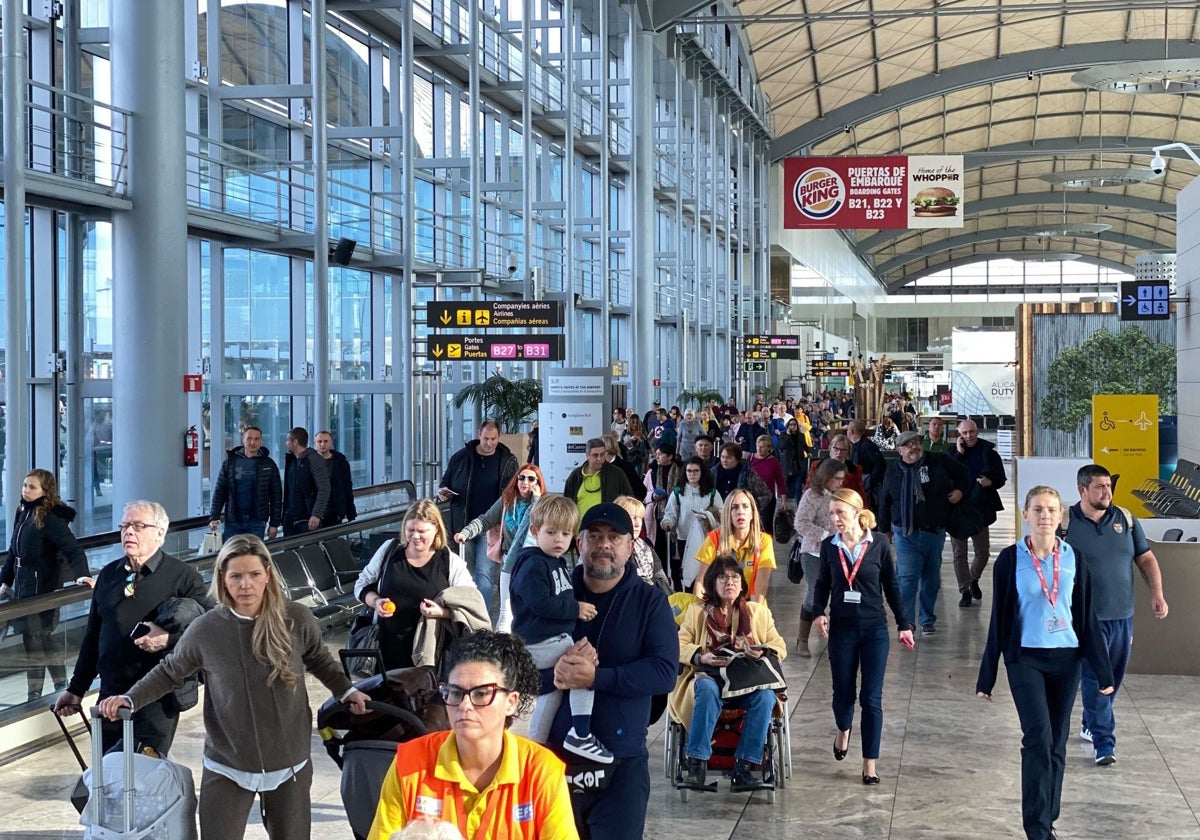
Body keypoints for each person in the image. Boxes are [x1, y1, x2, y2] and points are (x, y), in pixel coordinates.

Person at [97, 535, 371, 839]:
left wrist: (347, 691)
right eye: (236, 576)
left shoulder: (295, 618)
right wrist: (130, 698)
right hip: (228, 762)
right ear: (223, 580)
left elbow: (320, 660)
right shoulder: (207, 629)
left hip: (289, 763)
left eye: (254, 575)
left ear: (267, 574)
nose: (246, 585)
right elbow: (169, 671)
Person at [976, 486, 1115, 840]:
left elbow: (1085, 616)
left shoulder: (1072, 557)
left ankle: (1048, 815)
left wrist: (1102, 670)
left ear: (1060, 514)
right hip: (1025, 658)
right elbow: (1000, 619)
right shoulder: (1010, 559)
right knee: (1037, 737)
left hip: (1066, 658)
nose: (1045, 516)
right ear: (1026, 513)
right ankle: (1037, 830)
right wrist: (987, 675)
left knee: (1056, 742)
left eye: (1052, 509)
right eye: (1038, 509)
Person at [367, 630, 578, 840]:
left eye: (481, 693)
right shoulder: (411, 761)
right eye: (455, 692)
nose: (464, 705)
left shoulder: (541, 770)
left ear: (511, 702)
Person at [545, 503, 678, 837]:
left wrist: (596, 678)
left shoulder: (649, 601)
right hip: (554, 761)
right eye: (595, 536)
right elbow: (518, 669)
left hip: (621, 765)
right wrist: (556, 676)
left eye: (614, 537)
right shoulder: (552, 595)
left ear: (630, 547)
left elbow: (664, 671)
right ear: (580, 544)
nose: (604, 544)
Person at [54, 501, 216, 755]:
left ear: (160, 533)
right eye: (125, 526)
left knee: (144, 777)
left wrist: (169, 640)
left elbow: (209, 633)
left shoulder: (184, 577)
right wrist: (76, 689)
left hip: (157, 697)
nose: (129, 532)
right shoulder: (109, 575)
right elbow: (94, 637)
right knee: (109, 774)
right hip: (110, 695)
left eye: (138, 526)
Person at [1061, 464, 1169, 767]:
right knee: (1098, 679)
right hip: (1085, 619)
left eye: (1109, 486)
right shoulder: (1066, 523)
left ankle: (1089, 721)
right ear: (1083, 490)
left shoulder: (1126, 519)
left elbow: (1146, 558)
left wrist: (1157, 594)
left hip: (1122, 616)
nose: (1107, 492)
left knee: (1114, 677)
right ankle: (1104, 742)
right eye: (1100, 486)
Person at [812, 488, 913, 785]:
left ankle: (870, 763)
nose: (834, 519)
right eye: (831, 514)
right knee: (843, 693)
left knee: (871, 698)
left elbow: (892, 586)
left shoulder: (878, 544)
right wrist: (819, 612)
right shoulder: (830, 546)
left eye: (839, 513)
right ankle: (844, 729)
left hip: (874, 630)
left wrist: (903, 623)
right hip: (842, 629)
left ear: (857, 512)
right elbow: (821, 584)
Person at [510, 495, 611, 763]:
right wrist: (576, 609)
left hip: (547, 640)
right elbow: (540, 603)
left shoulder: (554, 562)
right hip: (539, 641)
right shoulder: (532, 563)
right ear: (534, 531)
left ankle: (536, 749)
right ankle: (580, 732)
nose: (559, 540)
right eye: (551, 532)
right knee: (582, 666)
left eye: (565, 533)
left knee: (551, 694)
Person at [672, 555, 787, 792]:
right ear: (713, 583)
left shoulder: (757, 612)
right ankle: (697, 765)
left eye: (735, 577)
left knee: (765, 697)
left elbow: (779, 646)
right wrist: (700, 656)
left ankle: (745, 766)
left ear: (742, 584)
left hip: (746, 679)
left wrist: (760, 652)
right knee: (705, 688)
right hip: (710, 677)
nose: (730, 582)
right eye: (723, 577)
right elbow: (677, 645)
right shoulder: (697, 612)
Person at [355, 500, 482, 670]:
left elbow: (471, 604)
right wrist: (376, 601)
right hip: (387, 649)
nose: (415, 536)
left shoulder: (450, 561)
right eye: (410, 530)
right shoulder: (389, 551)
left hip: (431, 651)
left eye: (422, 531)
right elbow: (362, 585)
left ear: (436, 529)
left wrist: (442, 612)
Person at [1, 469, 90, 700]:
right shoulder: (23, 510)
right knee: (39, 638)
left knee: (35, 638)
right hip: (23, 584)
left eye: (32, 487)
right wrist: (4, 581)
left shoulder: (50, 517)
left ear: (45, 491)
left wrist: (83, 575)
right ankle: (59, 684)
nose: (26, 490)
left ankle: (35, 694)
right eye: (24, 485)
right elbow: (13, 550)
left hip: (41, 587)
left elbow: (74, 549)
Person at [876, 431, 969, 635]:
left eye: (916, 442)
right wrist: (884, 530)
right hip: (905, 532)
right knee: (907, 578)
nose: (914, 447)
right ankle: (906, 621)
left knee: (931, 578)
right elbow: (885, 500)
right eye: (907, 444)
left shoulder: (939, 461)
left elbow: (964, 474)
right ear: (899, 450)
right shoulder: (893, 470)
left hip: (934, 531)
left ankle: (927, 618)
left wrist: (960, 491)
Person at [438, 420, 520, 624]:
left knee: (484, 575)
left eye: (493, 439)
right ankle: (464, 617)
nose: (489, 443)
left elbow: (513, 493)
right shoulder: (462, 457)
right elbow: (445, 483)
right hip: (464, 526)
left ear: (499, 437)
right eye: (485, 438)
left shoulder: (507, 460)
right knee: (463, 574)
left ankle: (480, 620)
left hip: (490, 527)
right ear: (478, 435)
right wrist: (443, 494)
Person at [454, 464, 546, 633]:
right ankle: (501, 650)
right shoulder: (507, 500)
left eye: (531, 479)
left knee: (529, 609)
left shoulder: (542, 504)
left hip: (532, 564)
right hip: (509, 562)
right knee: (506, 610)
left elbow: (535, 524)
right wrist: (466, 532)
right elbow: (486, 520)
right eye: (522, 477)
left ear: (538, 483)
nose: (525, 482)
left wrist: (536, 500)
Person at [948, 419, 1007, 608]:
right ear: (959, 434)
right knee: (960, 553)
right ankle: (964, 590)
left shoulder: (989, 453)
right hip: (957, 509)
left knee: (983, 552)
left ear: (977, 431)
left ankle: (973, 579)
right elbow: (946, 475)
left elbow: (1001, 478)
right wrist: (958, 453)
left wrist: (990, 483)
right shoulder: (951, 453)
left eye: (971, 432)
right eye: (964, 433)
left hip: (980, 508)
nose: (969, 436)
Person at [791, 459, 846, 657]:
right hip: (813, 552)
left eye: (842, 479)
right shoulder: (812, 495)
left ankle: (839, 638)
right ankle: (802, 640)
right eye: (837, 479)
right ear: (826, 477)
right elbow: (801, 523)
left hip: (839, 552)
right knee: (815, 594)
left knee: (840, 595)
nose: (840, 482)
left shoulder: (840, 496)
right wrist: (825, 535)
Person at [693, 489, 775, 603]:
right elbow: (701, 581)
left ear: (752, 513)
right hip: (719, 606)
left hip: (751, 604)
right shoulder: (714, 538)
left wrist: (752, 616)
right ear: (728, 514)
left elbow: (761, 586)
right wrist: (698, 613)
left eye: (745, 506)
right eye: (734, 507)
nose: (740, 512)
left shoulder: (764, 541)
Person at [208, 426, 283, 541]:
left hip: (257, 521)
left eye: (256, 439)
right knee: (231, 556)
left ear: (261, 441)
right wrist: (214, 516)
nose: (252, 442)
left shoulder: (268, 464)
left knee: (255, 556)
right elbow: (220, 491)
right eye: (249, 438)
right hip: (233, 521)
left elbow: (276, 496)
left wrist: (274, 524)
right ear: (243, 440)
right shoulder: (230, 463)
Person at [661, 457, 723, 592]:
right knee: (687, 573)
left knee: (706, 573)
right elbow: (671, 513)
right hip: (684, 540)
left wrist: (708, 516)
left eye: (696, 471)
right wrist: (667, 523)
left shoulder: (712, 493)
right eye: (689, 471)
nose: (692, 474)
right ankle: (688, 601)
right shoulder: (678, 492)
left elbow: (721, 514)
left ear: (702, 472)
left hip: (706, 540)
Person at [612, 495, 673, 594]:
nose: (637, 524)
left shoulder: (646, 547)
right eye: (633, 518)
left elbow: (661, 580)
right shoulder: (609, 549)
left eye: (640, 518)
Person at [563, 437, 634, 518]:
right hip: (579, 529)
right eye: (595, 455)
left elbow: (629, 501)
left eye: (602, 454)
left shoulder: (617, 474)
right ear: (587, 455)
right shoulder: (575, 476)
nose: (599, 459)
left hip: (607, 528)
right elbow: (566, 506)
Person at [283, 427, 332, 536]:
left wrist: (316, 514)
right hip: (291, 518)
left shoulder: (314, 459)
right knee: (289, 551)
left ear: (295, 442)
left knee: (309, 550)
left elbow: (324, 488)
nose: (286, 443)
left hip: (308, 518)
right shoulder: (292, 461)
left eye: (288, 440)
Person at [712, 442, 773, 520]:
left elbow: (766, 494)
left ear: (737, 459)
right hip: (718, 516)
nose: (724, 460)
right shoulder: (713, 473)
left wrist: (749, 507)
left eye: (729, 458)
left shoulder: (748, 474)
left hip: (740, 516)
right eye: (722, 457)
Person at [314, 430, 358, 527]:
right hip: (313, 512)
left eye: (326, 441)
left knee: (331, 540)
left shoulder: (341, 463)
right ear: (315, 443)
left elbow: (347, 487)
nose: (322, 444)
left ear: (331, 443)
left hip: (334, 511)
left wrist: (350, 512)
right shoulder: (308, 463)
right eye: (319, 441)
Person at [747, 434, 786, 531]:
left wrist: (784, 501)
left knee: (766, 526)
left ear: (769, 448)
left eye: (762, 447)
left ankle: (766, 545)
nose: (759, 449)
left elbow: (780, 482)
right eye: (758, 446)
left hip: (768, 499)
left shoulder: (774, 462)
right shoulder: (750, 458)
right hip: (751, 497)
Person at [845, 420, 887, 509]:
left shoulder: (867, 446)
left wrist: (870, 481)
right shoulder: (856, 445)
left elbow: (880, 464)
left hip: (868, 488)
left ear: (851, 431)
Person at [807, 434, 864, 498]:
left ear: (848, 452)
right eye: (836, 449)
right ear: (830, 448)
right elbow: (808, 489)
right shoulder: (817, 465)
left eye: (843, 450)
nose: (839, 453)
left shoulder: (855, 469)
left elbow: (860, 494)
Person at [779, 417, 812, 504]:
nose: (792, 427)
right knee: (787, 487)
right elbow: (782, 446)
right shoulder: (783, 435)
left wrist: (808, 452)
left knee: (798, 487)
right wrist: (788, 435)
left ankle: (798, 505)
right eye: (791, 425)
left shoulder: (801, 435)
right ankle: (785, 505)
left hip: (799, 464)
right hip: (788, 465)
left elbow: (804, 445)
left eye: (794, 424)